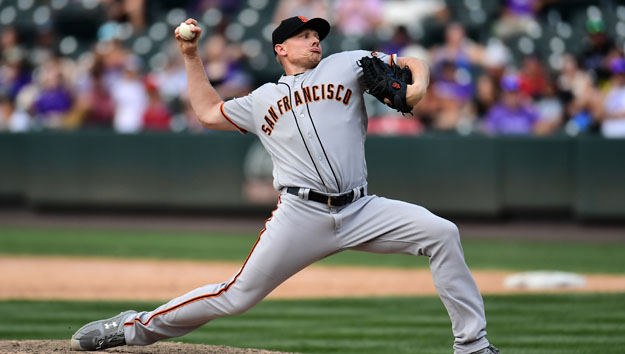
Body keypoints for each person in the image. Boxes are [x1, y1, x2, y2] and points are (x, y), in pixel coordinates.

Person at [70, 16, 500, 354]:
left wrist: (417, 86)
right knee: (236, 296)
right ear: (281, 48)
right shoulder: (261, 99)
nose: (315, 40)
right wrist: (190, 54)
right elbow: (205, 112)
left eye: (317, 34)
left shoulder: (346, 63)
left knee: (442, 233)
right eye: (304, 36)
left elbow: (411, 62)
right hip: (301, 214)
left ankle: (473, 346)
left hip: (361, 209)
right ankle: (130, 328)